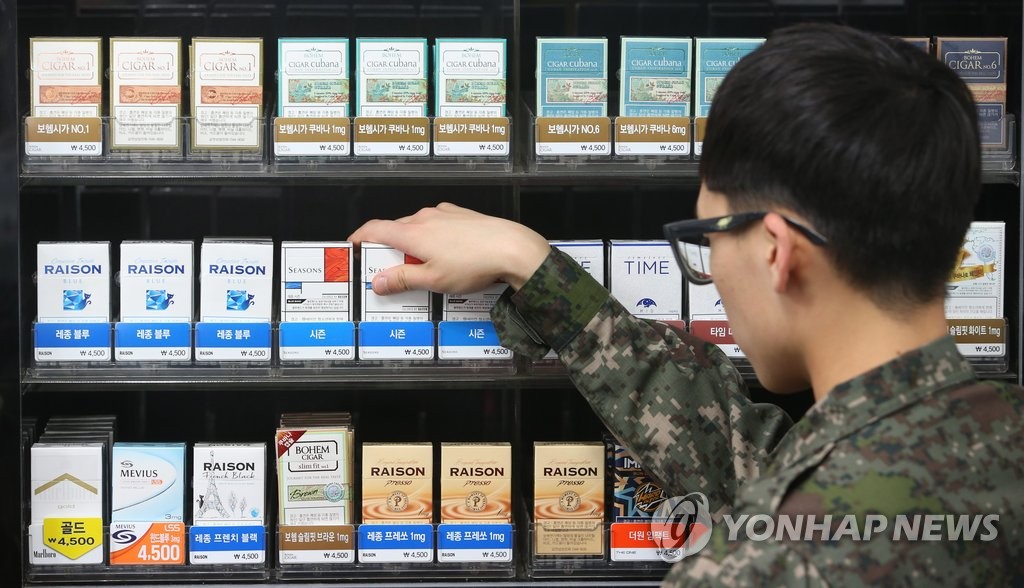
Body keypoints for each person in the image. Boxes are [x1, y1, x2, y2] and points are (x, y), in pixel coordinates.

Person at [349, 23, 1023, 586]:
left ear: (776, 251)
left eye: (707, 237)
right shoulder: (992, 435)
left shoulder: (761, 568)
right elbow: (758, 466)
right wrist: (529, 262)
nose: (710, 269)